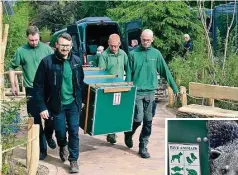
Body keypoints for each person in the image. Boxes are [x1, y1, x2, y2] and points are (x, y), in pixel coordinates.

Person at [34, 32, 84, 173]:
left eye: (68, 46)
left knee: (74, 132)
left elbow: (80, 82)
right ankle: (63, 144)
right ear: (56, 45)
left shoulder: (76, 61)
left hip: (73, 104)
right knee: (61, 132)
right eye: (62, 45)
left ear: (71, 46)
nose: (65, 48)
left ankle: (73, 160)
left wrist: (81, 100)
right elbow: (38, 86)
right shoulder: (47, 62)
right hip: (56, 105)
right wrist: (42, 106)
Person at [125, 29, 179, 158]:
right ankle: (129, 133)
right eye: (143, 40)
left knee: (148, 121)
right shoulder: (133, 54)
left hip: (150, 92)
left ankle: (143, 146)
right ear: (140, 38)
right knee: (138, 118)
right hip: (137, 92)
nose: (145, 42)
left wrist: (175, 88)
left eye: (148, 40)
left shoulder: (156, 54)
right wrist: (127, 90)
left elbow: (165, 71)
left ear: (152, 40)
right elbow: (128, 75)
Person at [9, 26, 56, 160]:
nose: (34, 42)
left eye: (36, 40)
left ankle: (48, 134)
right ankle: (42, 150)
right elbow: (12, 67)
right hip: (32, 89)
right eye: (31, 40)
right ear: (27, 38)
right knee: (35, 121)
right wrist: (13, 85)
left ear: (39, 37)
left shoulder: (47, 49)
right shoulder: (21, 51)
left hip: (47, 88)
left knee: (50, 118)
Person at [98, 34, 128, 144]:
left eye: (116, 46)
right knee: (109, 110)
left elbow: (127, 68)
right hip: (108, 87)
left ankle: (114, 131)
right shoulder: (104, 55)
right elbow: (101, 72)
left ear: (119, 44)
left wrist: (128, 82)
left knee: (117, 110)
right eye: (112, 46)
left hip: (120, 87)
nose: (114, 48)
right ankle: (111, 133)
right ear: (108, 44)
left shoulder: (123, 54)